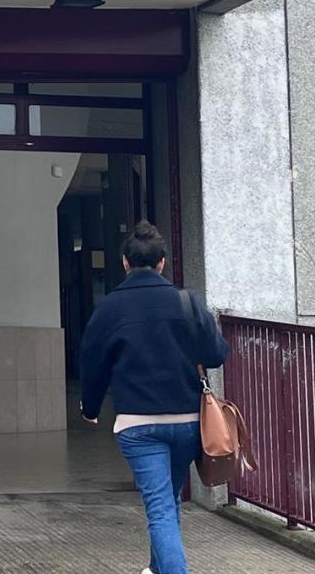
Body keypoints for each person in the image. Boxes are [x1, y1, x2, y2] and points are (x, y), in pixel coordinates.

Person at [79, 221, 229, 574]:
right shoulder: (185, 301)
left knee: (160, 506)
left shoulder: (109, 308)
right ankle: (156, 569)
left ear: (125, 263)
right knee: (168, 501)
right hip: (188, 423)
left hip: (139, 425)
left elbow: (92, 362)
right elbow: (216, 355)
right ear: (162, 262)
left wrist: (90, 406)